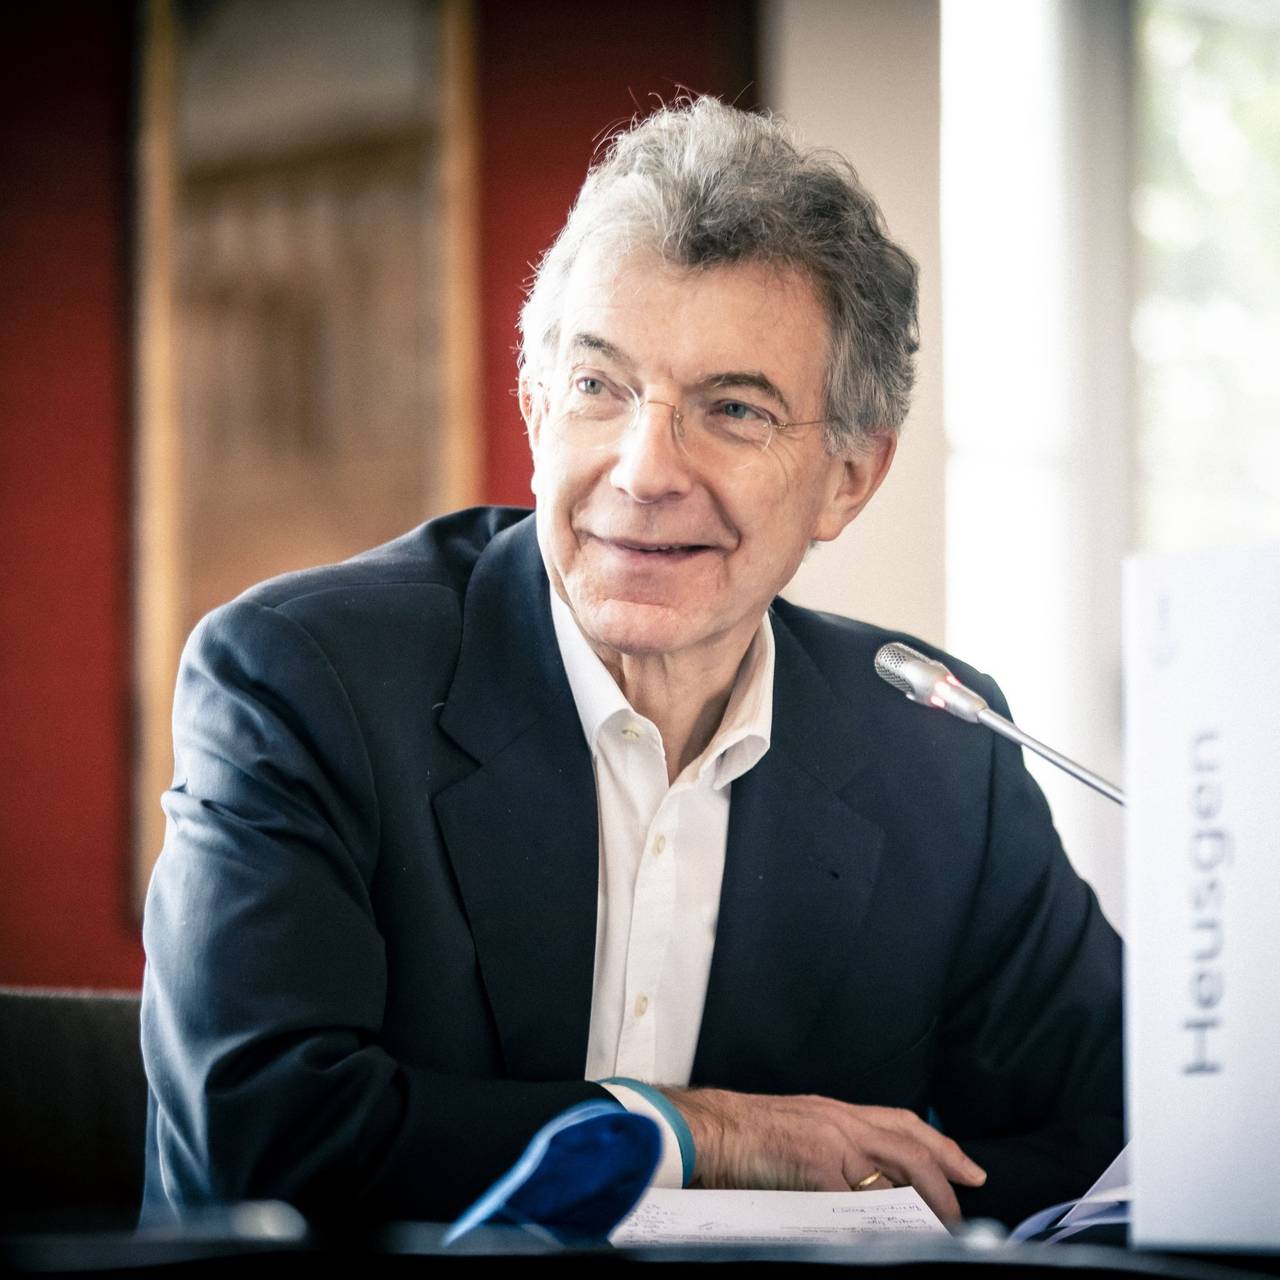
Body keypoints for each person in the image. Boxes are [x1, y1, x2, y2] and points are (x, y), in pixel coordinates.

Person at [141, 96, 1122, 1231]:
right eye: (599, 387)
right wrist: (704, 1133)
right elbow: (259, 1140)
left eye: (734, 408)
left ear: (849, 479)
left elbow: (1112, 1141)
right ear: (534, 405)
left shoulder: (941, 752)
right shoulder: (302, 679)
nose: (645, 469)